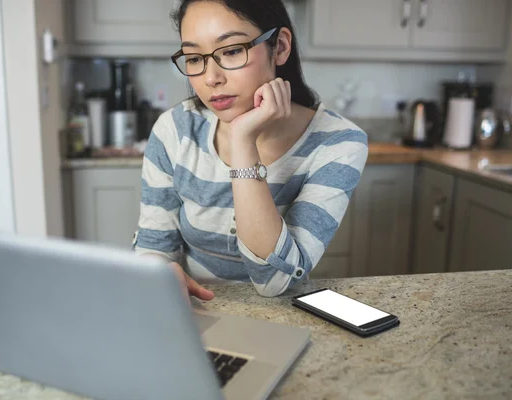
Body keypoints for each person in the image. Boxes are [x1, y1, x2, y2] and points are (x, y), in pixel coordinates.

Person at [132, 0, 368, 300]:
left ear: (280, 47)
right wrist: (161, 270)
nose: (210, 78)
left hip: (284, 318)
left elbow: (276, 281)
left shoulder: (338, 142)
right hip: (194, 313)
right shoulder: (175, 130)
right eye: (193, 58)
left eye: (231, 51)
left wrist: (243, 140)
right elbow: (153, 246)